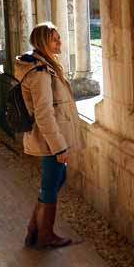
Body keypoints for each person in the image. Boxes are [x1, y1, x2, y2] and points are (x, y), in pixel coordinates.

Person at [14, 22, 83, 249]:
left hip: (51, 138)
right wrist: (59, 146)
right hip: (50, 140)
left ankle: (34, 229)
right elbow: (44, 114)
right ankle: (45, 235)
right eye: (55, 39)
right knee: (52, 182)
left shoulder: (43, 66)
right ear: (44, 42)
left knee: (54, 180)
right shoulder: (40, 73)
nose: (60, 42)